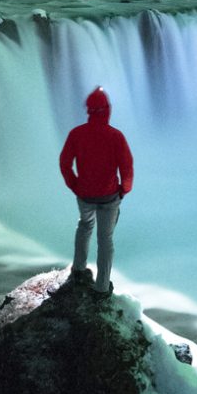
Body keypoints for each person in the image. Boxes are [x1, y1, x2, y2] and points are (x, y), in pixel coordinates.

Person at [58, 87, 133, 295]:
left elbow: (64, 163)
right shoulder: (116, 137)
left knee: (84, 226)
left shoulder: (76, 134)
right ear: (106, 110)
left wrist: (75, 185)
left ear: (89, 111)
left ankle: (79, 269)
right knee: (105, 239)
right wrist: (123, 190)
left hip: (85, 196)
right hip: (110, 197)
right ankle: (101, 287)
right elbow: (127, 167)